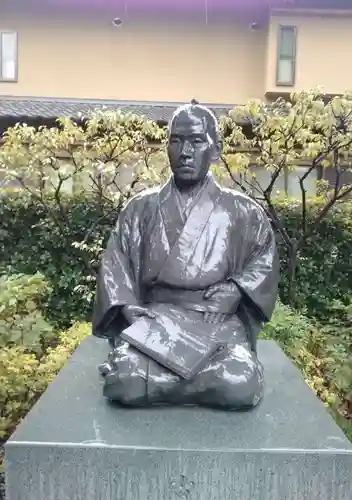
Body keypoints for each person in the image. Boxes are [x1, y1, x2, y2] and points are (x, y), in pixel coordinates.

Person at [92, 99, 279, 410]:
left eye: (195, 141)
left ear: (215, 149)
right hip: (156, 321)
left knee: (240, 380)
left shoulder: (244, 211)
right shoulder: (141, 207)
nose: (185, 151)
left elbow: (264, 261)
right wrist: (126, 308)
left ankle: (152, 385)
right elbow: (116, 264)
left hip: (216, 323)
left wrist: (236, 290)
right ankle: (201, 385)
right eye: (176, 141)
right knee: (123, 374)